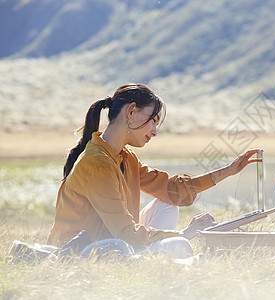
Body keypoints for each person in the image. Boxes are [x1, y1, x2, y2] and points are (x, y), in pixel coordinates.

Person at [46, 83, 260, 259]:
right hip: (79, 254)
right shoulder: (97, 164)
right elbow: (125, 232)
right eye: (153, 121)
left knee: (168, 205)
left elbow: (171, 190)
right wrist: (184, 234)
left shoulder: (125, 157)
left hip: (115, 244)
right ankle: (157, 258)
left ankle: (150, 257)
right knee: (179, 244)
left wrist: (228, 171)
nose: (155, 131)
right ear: (130, 112)